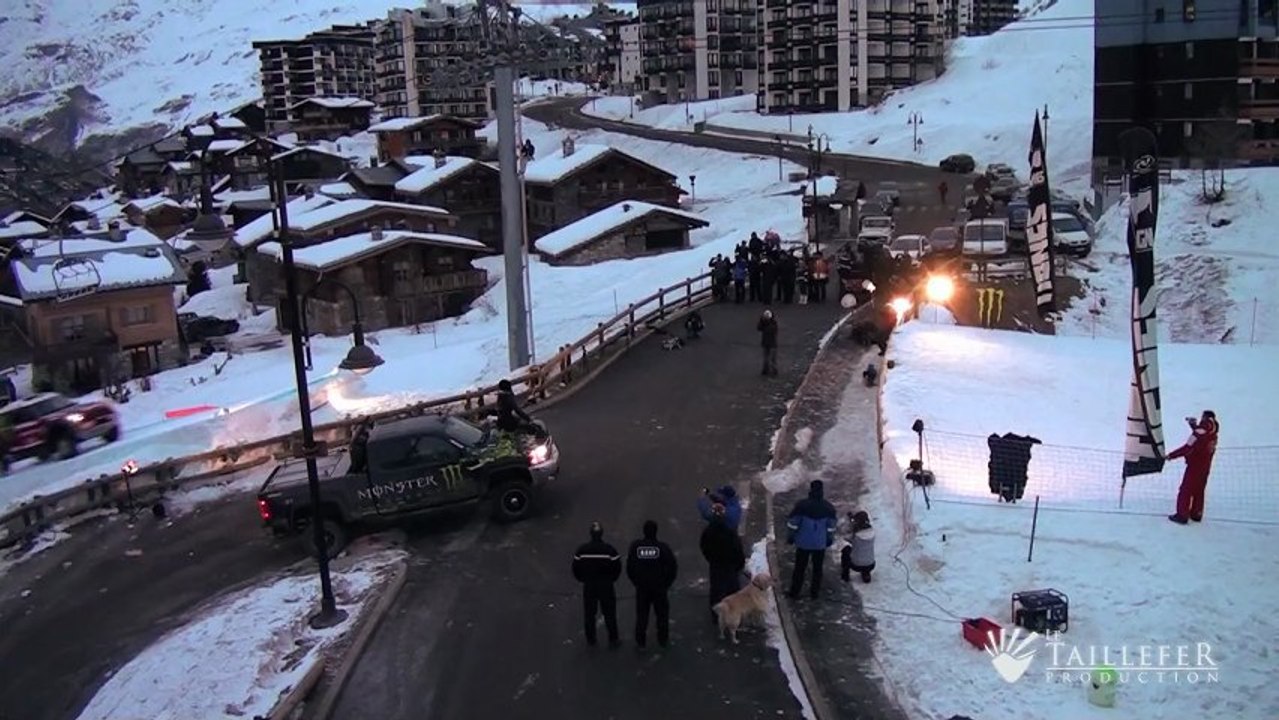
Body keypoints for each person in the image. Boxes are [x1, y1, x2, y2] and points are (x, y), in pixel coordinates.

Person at [627, 520, 678, 648]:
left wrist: (636, 582)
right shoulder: (662, 548)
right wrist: (666, 584)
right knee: (662, 614)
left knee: (642, 615)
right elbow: (672, 567)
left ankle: (640, 641)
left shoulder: (636, 547)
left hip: (642, 588)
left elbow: (630, 567)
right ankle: (663, 639)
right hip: (659, 588)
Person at [572, 521, 623, 647]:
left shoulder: (582, 550)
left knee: (589, 614)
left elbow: (575, 568)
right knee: (609, 613)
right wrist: (611, 580)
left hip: (589, 586)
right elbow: (617, 568)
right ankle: (613, 638)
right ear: (601, 534)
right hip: (606, 586)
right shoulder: (609, 550)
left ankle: (591, 639)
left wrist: (583, 579)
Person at [785, 480, 837, 599]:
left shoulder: (801, 505)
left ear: (810, 490)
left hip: (803, 543)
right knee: (817, 569)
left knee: (799, 568)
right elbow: (831, 527)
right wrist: (829, 539)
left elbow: (793, 524)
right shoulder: (828, 508)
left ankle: (794, 592)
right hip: (820, 544)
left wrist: (791, 537)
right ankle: (814, 593)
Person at [1167, 411, 1220, 524]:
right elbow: (1202, 438)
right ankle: (1197, 514)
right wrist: (1194, 426)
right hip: (1206, 466)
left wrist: (1171, 456)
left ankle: (1182, 515)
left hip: (1194, 466)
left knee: (1185, 490)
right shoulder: (1214, 434)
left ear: (1204, 418)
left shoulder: (1199, 433)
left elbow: (1188, 447)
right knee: (1199, 490)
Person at [700, 505, 746, 622]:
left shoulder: (708, 531)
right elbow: (737, 549)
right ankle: (733, 613)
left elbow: (704, 547)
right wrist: (740, 563)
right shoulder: (729, 531)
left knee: (716, 591)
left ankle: (716, 616)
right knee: (733, 590)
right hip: (730, 565)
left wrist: (711, 559)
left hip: (716, 565)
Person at [840, 511, 876, 584]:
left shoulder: (856, 536)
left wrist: (850, 523)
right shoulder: (872, 533)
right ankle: (866, 574)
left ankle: (845, 575)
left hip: (856, 565)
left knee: (846, 549)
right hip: (871, 564)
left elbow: (846, 537)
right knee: (865, 552)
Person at [757, 309, 779, 377]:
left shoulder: (766, 325)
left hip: (767, 343)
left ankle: (768, 370)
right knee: (771, 358)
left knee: (768, 357)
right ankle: (771, 370)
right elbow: (759, 328)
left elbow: (759, 328)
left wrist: (762, 321)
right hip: (771, 343)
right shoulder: (773, 324)